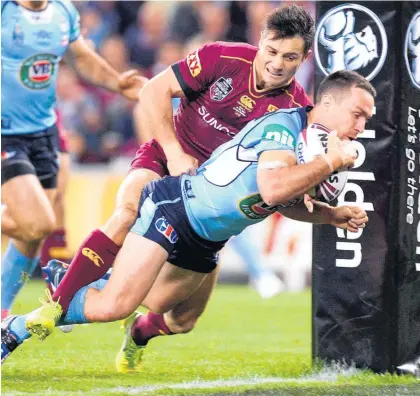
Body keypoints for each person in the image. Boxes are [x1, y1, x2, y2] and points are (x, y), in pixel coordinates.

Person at [1, 70, 375, 369]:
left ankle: (123, 321)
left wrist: (330, 215)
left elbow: (279, 202)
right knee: (115, 304)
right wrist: (330, 163)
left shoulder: (311, 144)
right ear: (327, 102)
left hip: (208, 238)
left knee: (180, 320)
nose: (360, 127)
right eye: (357, 115)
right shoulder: (284, 128)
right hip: (177, 209)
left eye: (366, 119)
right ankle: (16, 328)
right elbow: (275, 189)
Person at [36, 3, 314, 363]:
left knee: (181, 316)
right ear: (260, 40)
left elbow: (284, 175)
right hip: (167, 158)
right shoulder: (222, 57)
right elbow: (154, 90)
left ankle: (138, 331)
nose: (277, 63)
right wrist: (173, 150)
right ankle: (56, 306)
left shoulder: (296, 111)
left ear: (305, 57)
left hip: (206, 201)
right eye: (272, 51)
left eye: (289, 57)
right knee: (127, 208)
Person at [0, 0, 147, 319]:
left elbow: (80, 57)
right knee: (38, 221)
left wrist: (117, 83)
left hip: (42, 131)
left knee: (36, 230)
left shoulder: (63, 11)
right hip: (5, 133)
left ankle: (1, 309)